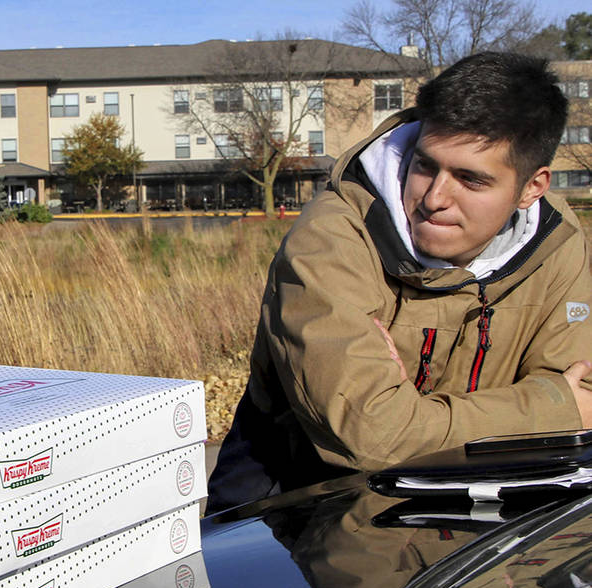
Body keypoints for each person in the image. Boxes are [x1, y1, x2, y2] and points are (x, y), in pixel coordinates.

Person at [207, 52, 592, 511]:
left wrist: (416, 416)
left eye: (471, 180)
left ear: (532, 188)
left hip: (472, 500)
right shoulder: (331, 238)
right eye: (426, 165)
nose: (434, 198)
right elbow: (372, 436)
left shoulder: (557, 239)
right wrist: (546, 407)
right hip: (300, 500)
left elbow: (581, 396)